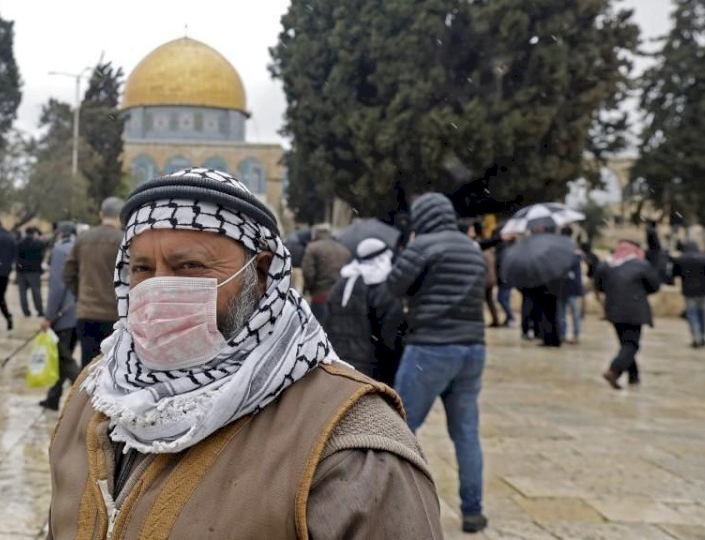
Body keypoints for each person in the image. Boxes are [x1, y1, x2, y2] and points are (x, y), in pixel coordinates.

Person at [47, 168, 441, 539]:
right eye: (142, 269)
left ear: (263, 272)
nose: (158, 289)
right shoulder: (95, 394)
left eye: (189, 265)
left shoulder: (350, 445)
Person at [387, 192, 488, 534]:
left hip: (430, 347)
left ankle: (390, 505)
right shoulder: (471, 250)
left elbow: (394, 285)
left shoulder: (423, 246)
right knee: (466, 433)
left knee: (399, 428)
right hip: (472, 348)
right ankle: (473, 511)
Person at [323, 237, 404, 384]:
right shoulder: (383, 290)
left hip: (339, 363)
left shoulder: (341, 284)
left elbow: (327, 323)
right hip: (372, 368)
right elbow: (390, 335)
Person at [63, 197, 124, 368]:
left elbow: (67, 272)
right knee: (112, 367)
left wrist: (81, 293)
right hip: (115, 315)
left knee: (88, 366)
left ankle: (86, 395)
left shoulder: (84, 238)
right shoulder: (124, 240)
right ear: (121, 216)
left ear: (101, 214)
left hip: (87, 312)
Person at [595, 240, 661, 389]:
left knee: (625, 343)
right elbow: (654, 286)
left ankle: (634, 377)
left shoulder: (606, 265)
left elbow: (599, 285)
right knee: (631, 345)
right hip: (634, 310)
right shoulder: (641, 265)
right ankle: (614, 370)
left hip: (613, 309)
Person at [38, 222, 79, 411]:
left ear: (60, 233)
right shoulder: (80, 248)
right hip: (82, 310)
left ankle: (85, 397)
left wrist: (49, 316)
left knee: (64, 358)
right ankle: (53, 398)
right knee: (61, 357)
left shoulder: (60, 250)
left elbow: (57, 287)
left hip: (64, 313)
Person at [520, 218, 565, 347]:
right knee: (551, 313)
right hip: (554, 285)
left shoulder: (541, 246)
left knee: (544, 313)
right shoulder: (556, 245)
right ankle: (553, 338)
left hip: (544, 285)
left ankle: (548, 338)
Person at [301, 223, 351, 323]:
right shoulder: (344, 250)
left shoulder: (312, 248)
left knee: (319, 332)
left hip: (320, 296)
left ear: (315, 234)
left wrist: (308, 288)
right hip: (341, 298)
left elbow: (308, 272)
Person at [671, 241, 705, 348]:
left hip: (688, 290)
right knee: (702, 314)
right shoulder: (704, 258)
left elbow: (674, 273)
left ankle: (696, 337)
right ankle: (703, 337)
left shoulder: (681, 259)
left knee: (692, 314)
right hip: (703, 290)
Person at [558, 230, 585, 345]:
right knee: (564, 313)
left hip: (568, 287)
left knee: (570, 313)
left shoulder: (575, 255)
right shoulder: (574, 254)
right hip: (564, 287)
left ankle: (574, 335)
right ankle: (565, 334)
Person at [16, 226, 48, 318]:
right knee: (36, 291)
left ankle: (26, 311)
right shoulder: (38, 243)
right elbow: (44, 250)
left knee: (22, 292)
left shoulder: (20, 243)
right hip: (34, 271)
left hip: (21, 270)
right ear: (34, 233)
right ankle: (39, 311)